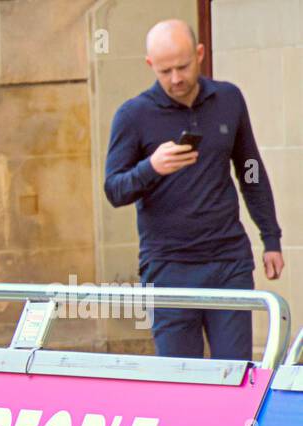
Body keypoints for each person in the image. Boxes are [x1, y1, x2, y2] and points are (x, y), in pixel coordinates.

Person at [104, 19, 283, 361]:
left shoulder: (228, 99)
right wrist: (150, 168)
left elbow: (250, 170)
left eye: (183, 66)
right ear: (150, 66)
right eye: (164, 70)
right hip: (169, 266)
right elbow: (114, 189)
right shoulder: (133, 115)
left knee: (234, 375)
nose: (175, 79)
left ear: (199, 54)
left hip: (228, 261)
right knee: (179, 381)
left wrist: (270, 237)